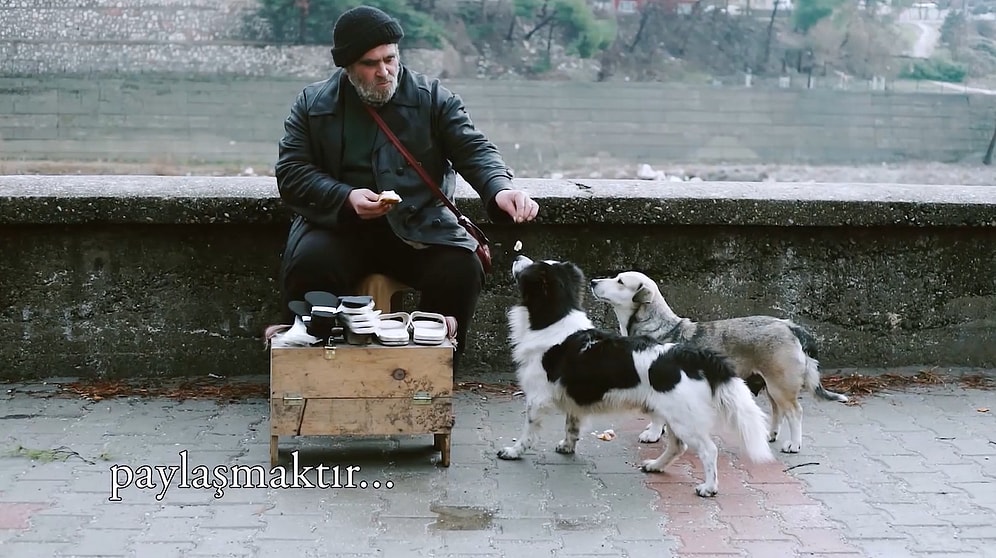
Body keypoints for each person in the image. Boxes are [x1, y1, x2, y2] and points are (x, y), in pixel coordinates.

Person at [274, 5, 539, 370]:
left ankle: (428, 378)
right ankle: (317, 376)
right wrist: (345, 197)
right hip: (338, 228)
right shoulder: (312, 104)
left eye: (390, 59)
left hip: (419, 227)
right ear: (348, 67)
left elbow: (474, 149)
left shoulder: (433, 98)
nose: (384, 72)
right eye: (371, 63)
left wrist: (499, 189)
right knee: (310, 263)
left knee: (460, 266)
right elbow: (292, 172)